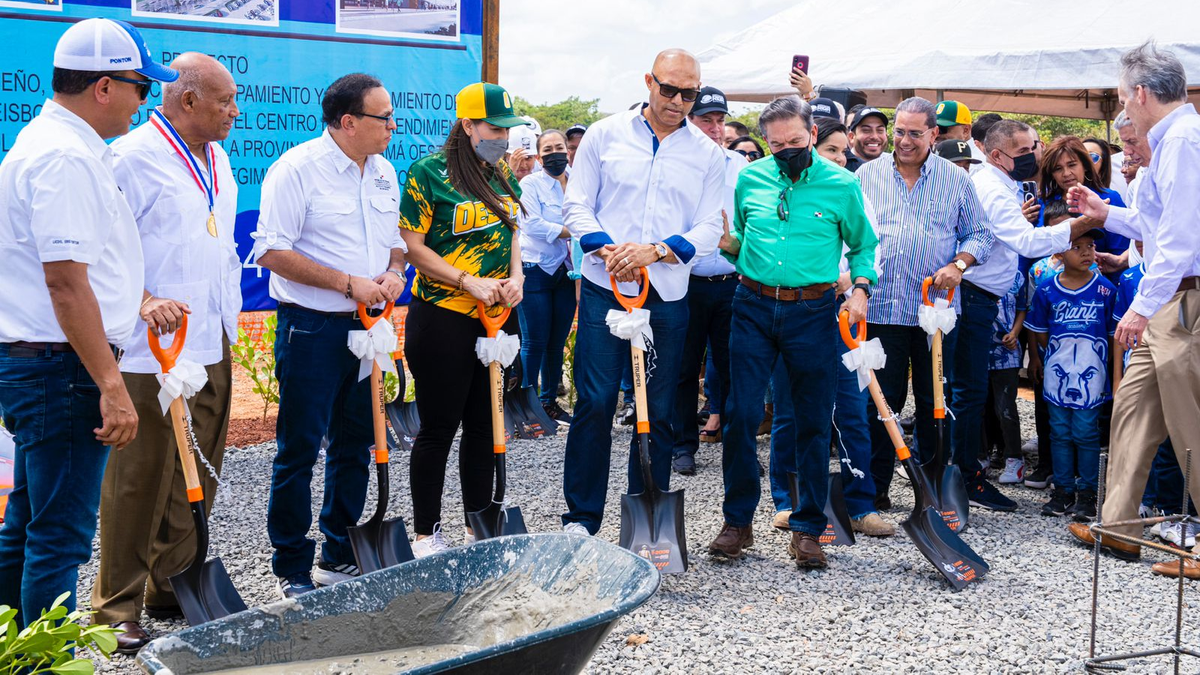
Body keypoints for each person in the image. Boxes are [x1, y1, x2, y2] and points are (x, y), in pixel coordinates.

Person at [0, 18, 176, 627]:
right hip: (62, 367)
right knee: (60, 537)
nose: (144, 101)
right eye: (139, 86)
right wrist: (111, 385)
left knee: (27, 524)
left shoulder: (59, 146)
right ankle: (43, 663)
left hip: (47, 361)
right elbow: (66, 282)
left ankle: (15, 652)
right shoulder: (64, 159)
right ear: (103, 87)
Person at [89, 53, 239, 653]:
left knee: (196, 465)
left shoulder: (218, 156)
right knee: (140, 474)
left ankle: (173, 581)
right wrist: (145, 298)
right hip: (149, 345)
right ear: (188, 100)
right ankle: (113, 606)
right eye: (225, 101)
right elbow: (102, 249)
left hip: (208, 336)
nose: (235, 111)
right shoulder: (130, 158)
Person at [254, 73, 407, 597]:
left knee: (356, 445)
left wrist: (392, 273)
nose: (392, 126)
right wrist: (348, 283)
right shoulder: (296, 169)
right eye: (383, 118)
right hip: (313, 327)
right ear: (348, 123)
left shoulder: (384, 171)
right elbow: (271, 251)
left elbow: (395, 243)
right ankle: (291, 567)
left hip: (369, 328)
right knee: (298, 449)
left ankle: (338, 554)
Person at [561, 49, 724, 536]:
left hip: (667, 293)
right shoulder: (604, 135)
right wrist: (607, 248)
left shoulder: (707, 153)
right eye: (669, 89)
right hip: (603, 287)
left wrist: (656, 251)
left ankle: (643, 508)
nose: (678, 101)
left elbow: (708, 228)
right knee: (594, 399)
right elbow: (576, 206)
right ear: (648, 82)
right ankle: (582, 518)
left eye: (689, 94)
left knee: (659, 404)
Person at [711, 95, 878, 566]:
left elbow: (864, 245)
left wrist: (862, 287)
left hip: (813, 310)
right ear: (765, 141)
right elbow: (745, 238)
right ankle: (737, 522)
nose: (787, 149)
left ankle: (806, 526)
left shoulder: (842, 184)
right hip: (752, 306)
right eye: (776, 143)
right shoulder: (751, 178)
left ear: (812, 133)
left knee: (810, 418)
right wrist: (730, 245)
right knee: (742, 414)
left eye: (797, 141)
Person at [1065, 43, 1200, 578]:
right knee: (1133, 407)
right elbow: (1158, 228)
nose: (1123, 107)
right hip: (1172, 296)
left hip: (1185, 298)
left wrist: (1141, 307)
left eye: (1123, 97)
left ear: (1140, 94)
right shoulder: (1174, 141)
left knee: (1191, 424)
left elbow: (1180, 240)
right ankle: (1119, 526)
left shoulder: (1185, 140)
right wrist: (1108, 215)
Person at [400, 83, 528, 557]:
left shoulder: (499, 175)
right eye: (495, 129)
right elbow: (415, 247)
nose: (503, 138)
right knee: (439, 426)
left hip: (496, 317)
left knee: (485, 424)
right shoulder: (427, 173)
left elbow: (514, 234)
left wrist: (516, 279)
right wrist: (465, 280)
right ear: (468, 125)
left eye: (507, 130)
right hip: (443, 318)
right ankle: (427, 533)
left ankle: (480, 526)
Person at [953, 120, 1102, 512]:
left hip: (984, 297)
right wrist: (1079, 225)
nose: (1035, 155)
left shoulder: (1005, 184)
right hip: (973, 297)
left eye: (1035, 146)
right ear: (996, 155)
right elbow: (1026, 240)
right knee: (968, 393)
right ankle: (964, 479)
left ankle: (961, 474)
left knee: (969, 391)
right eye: (1024, 151)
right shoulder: (992, 188)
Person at [855, 97, 994, 511]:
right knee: (880, 400)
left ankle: (932, 488)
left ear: (934, 135)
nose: (904, 141)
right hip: (881, 308)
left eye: (915, 133)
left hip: (934, 312)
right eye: (899, 132)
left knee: (936, 401)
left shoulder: (956, 179)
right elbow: (851, 234)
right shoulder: (866, 175)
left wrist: (959, 262)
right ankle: (875, 489)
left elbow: (981, 234)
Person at [670, 86, 746, 475]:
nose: (715, 129)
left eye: (720, 121)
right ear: (689, 120)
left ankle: (737, 445)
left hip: (732, 281)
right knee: (684, 368)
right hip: (687, 280)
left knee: (735, 367)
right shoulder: (676, 163)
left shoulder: (741, 167)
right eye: (706, 120)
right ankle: (683, 444)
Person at [1025, 229, 1115, 521]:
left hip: (1092, 377)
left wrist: (1110, 373)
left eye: (1090, 246)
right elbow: (1038, 331)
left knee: (1087, 433)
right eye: (1077, 247)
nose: (1087, 252)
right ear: (1058, 254)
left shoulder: (1105, 290)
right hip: (1057, 376)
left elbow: (1113, 336)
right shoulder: (1047, 290)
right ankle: (1063, 489)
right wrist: (1043, 358)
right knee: (1060, 432)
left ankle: (1088, 493)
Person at [518, 129, 576, 424]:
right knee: (534, 341)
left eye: (560, 148)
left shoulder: (579, 182)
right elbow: (531, 224)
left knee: (557, 341)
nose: (555, 154)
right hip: (536, 268)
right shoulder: (531, 184)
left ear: (568, 151)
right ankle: (527, 406)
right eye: (548, 149)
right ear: (539, 156)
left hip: (566, 271)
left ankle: (548, 402)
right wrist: (572, 231)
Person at [1037, 136, 1129, 266]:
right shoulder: (1042, 202)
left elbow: (1120, 252)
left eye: (1072, 165)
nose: (1066, 173)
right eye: (1058, 168)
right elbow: (1033, 250)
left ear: (1085, 166)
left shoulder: (1109, 198)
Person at [986, 272, 1028, 484]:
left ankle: (1014, 458)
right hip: (977, 348)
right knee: (978, 406)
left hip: (1007, 351)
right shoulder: (972, 270)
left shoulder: (1016, 275)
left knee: (1005, 408)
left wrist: (1015, 333)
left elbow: (1022, 308)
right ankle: (980, 456)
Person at [844, 106, 888, 172]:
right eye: (866, 130)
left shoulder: (895, 166)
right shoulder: (841, 164)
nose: (874, 137)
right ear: (851, 137)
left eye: (880, 130)